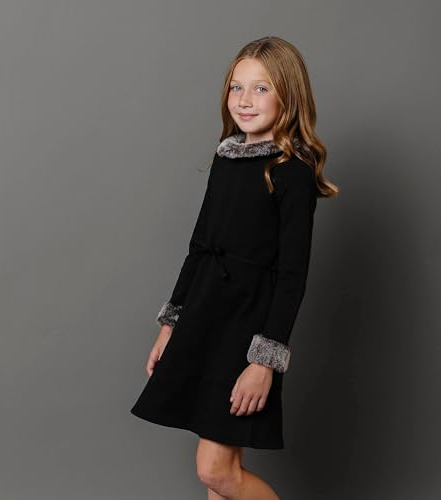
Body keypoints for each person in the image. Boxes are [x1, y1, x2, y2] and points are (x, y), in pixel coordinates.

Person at [131, 35, 339, 499]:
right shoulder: (226, 157)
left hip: (246, 331)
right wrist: (171, 324)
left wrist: (264, 361)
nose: (245, 100)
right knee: (223, 470)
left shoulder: (291, 171)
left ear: (289, 96)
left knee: (215, 471)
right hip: (205, 317)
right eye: (236, 87)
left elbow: (292, 275)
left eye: (261, 88)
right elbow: (199, 246)